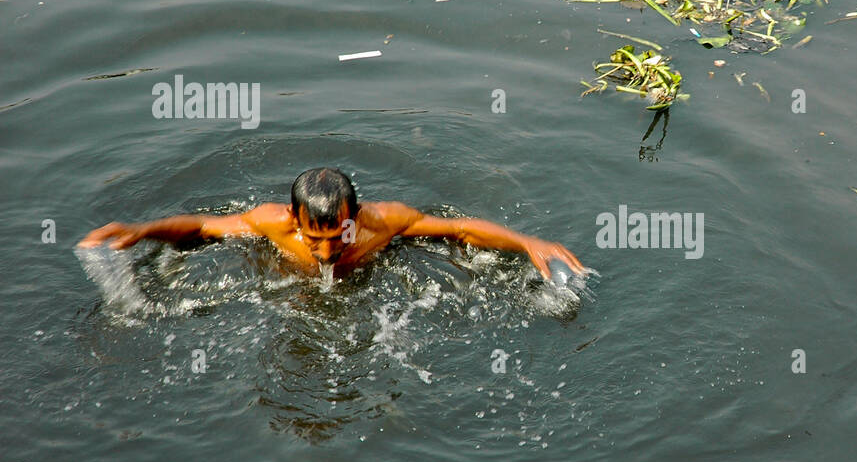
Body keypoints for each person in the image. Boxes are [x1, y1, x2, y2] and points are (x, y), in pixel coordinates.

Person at [78, 167, 584, 279]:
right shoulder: (272, 224)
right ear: (295, 220)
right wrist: (143, 231)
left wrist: (526, 241)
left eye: (338, 237)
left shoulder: (383, 223)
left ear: (356, 218)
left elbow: (458, 230)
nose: (325, 252)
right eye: (313, 238)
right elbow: (204, 228)